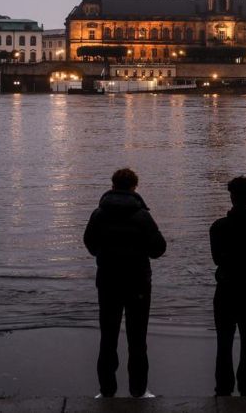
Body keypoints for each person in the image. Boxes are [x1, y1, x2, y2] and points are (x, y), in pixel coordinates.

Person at [84, 168, 167, 398]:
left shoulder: (99, 213)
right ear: (134, 187)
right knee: (138, 338)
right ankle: (138, 391)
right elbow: (159, 248)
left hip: (108, 281)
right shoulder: (142, 215)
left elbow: (89, 243)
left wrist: (105, 253)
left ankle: (107, 391)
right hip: (138, 282)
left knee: (108, 336)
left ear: (112, 185)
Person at [209, 176, 246, 397]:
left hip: (225, 289)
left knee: (223, 342)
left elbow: (216, 259)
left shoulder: (217, 228)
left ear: (231, 196)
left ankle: (223, 386)